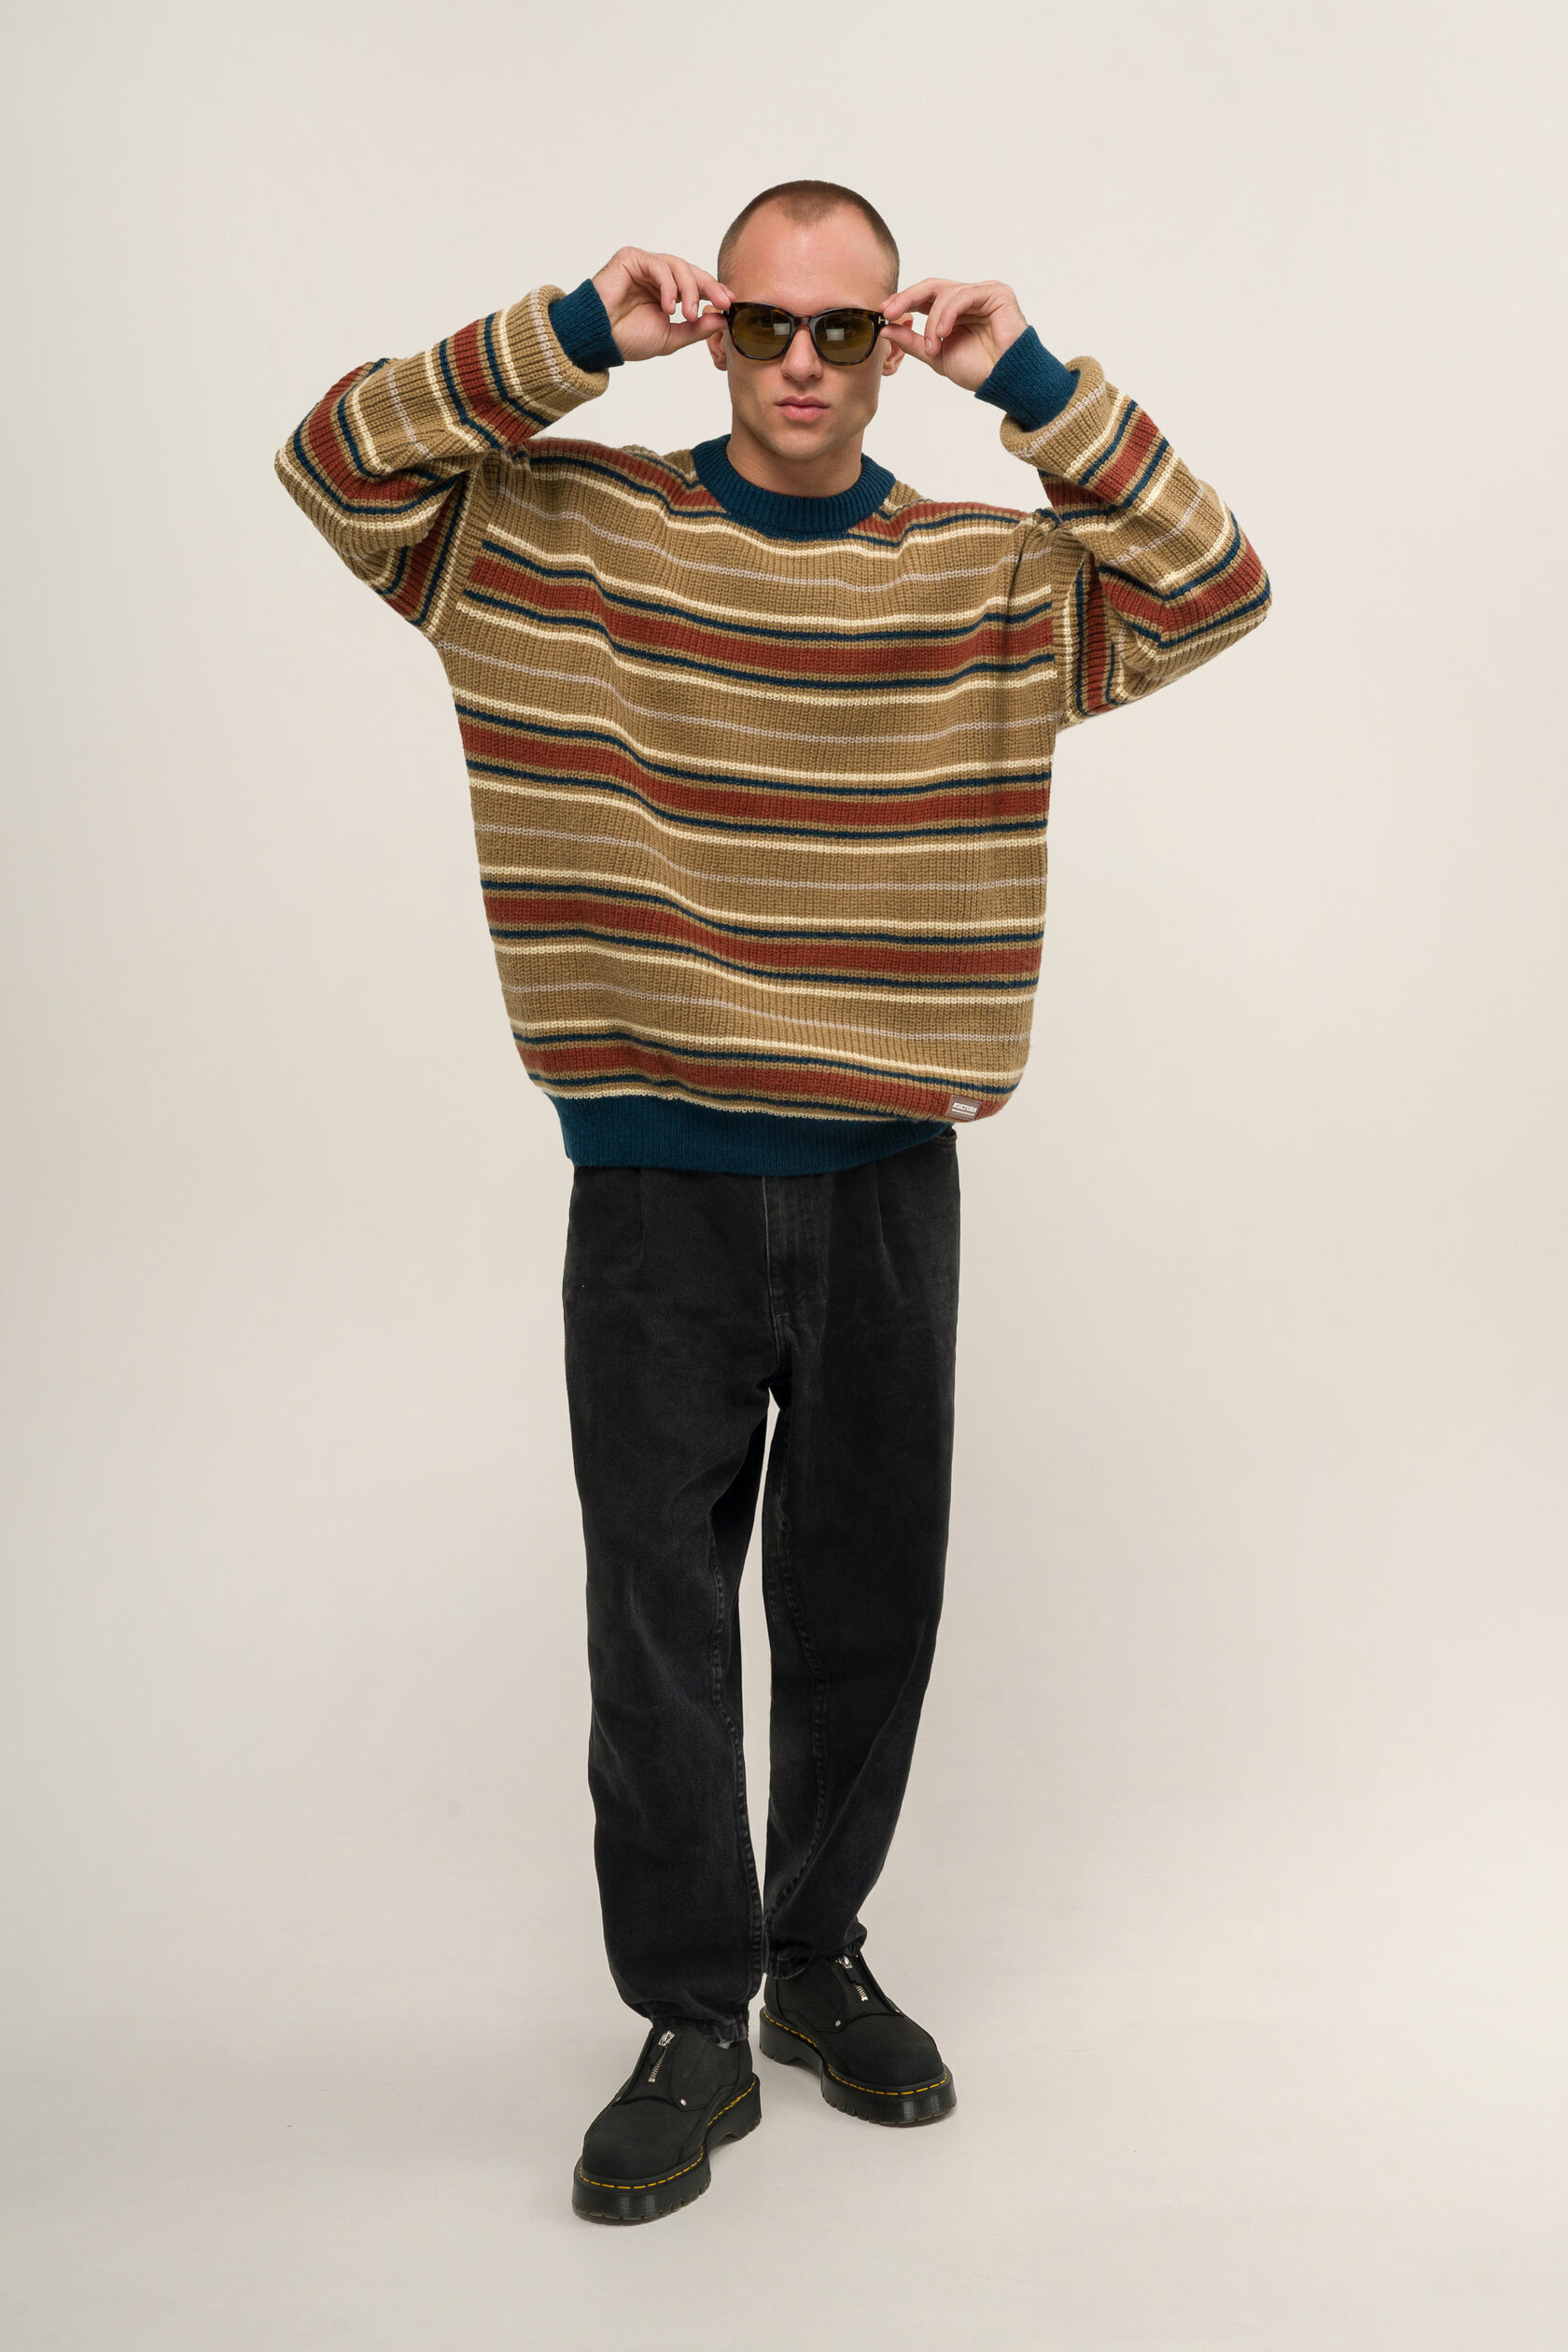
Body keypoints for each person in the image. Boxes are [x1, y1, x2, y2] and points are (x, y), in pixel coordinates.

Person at [276, 178, 1270, 2225]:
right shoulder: (560, 535)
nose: (799, 363)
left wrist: (1032, 379)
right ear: (713, 327)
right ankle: (689, 2019)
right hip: (654, 1176)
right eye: (760, 323)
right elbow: (334, 463)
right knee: (657, 1624)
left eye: (841, 327)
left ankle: (816, 1959)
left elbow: (1214, 585)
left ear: (891, 340)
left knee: (865, 1606)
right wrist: (568, 329)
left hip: (891, 1171)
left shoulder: (982, 577)